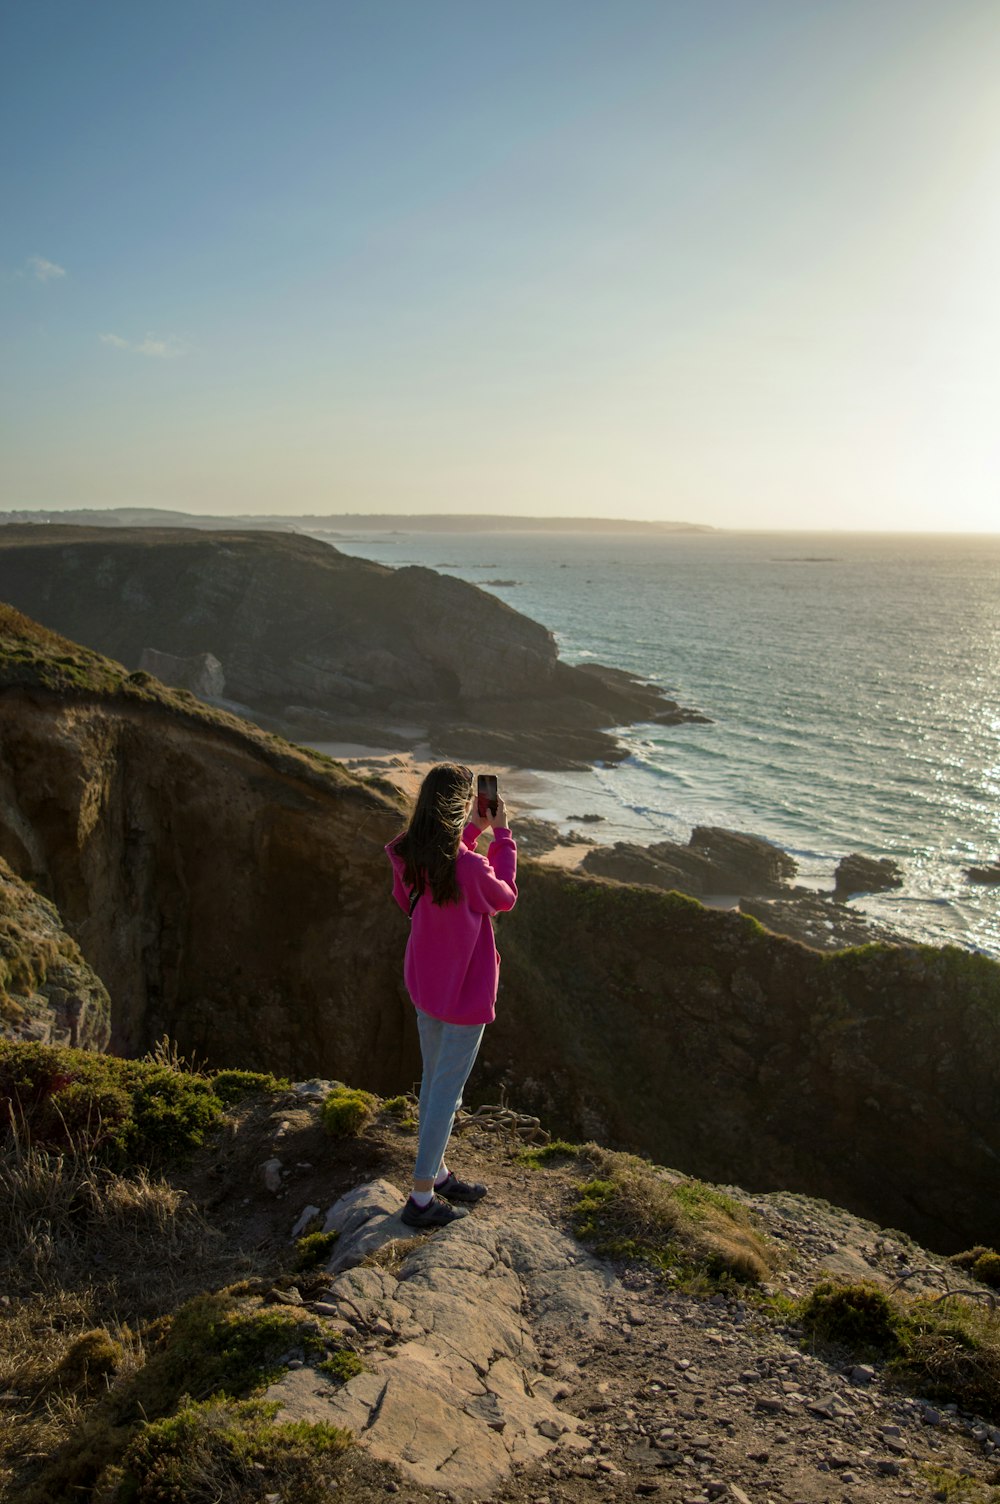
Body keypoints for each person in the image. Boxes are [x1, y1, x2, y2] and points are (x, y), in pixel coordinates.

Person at [386, 763, 517, 1227]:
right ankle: (421, 1198)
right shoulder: (467, 865)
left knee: (435, 1081)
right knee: (446, 1091)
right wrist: (501, 838)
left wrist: (471, 833)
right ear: (462, 806)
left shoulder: (408, 853)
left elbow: (409, 900)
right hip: (463, 995)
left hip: (427, 985)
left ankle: (437, 1174)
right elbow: (504, 897)